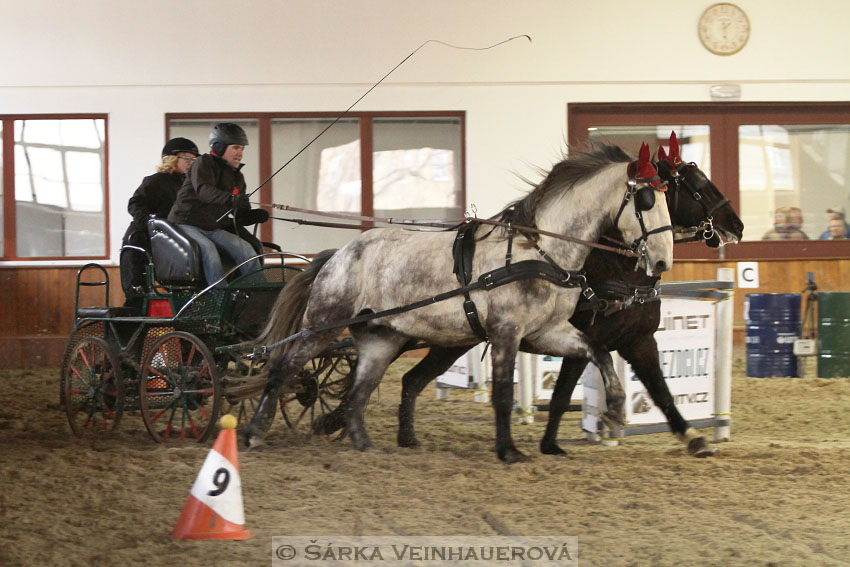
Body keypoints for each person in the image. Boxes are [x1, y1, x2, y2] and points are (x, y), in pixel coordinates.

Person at [167, 123, 269, 287]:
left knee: (246, 249)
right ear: (219, 147)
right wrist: (231, 199)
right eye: (236, 147)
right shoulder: (203, 163)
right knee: (209, 250)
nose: (240, 153)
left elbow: (239, 214)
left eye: (242, 149)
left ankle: (259, 295)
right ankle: (219, 298)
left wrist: (253, 215)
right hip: (186, 223)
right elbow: (204, 191)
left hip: (212, 227)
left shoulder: (237, 177)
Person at [120, 137, 200, 308]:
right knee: (138, 295)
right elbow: (135, 204)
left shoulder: (190, 184)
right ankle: (123, 333)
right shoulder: (155, 181)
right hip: (141, 244)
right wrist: (151, 224)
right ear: (172, 158)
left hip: (170, 246)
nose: (191, 162)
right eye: (186, 158)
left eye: (194, 159)